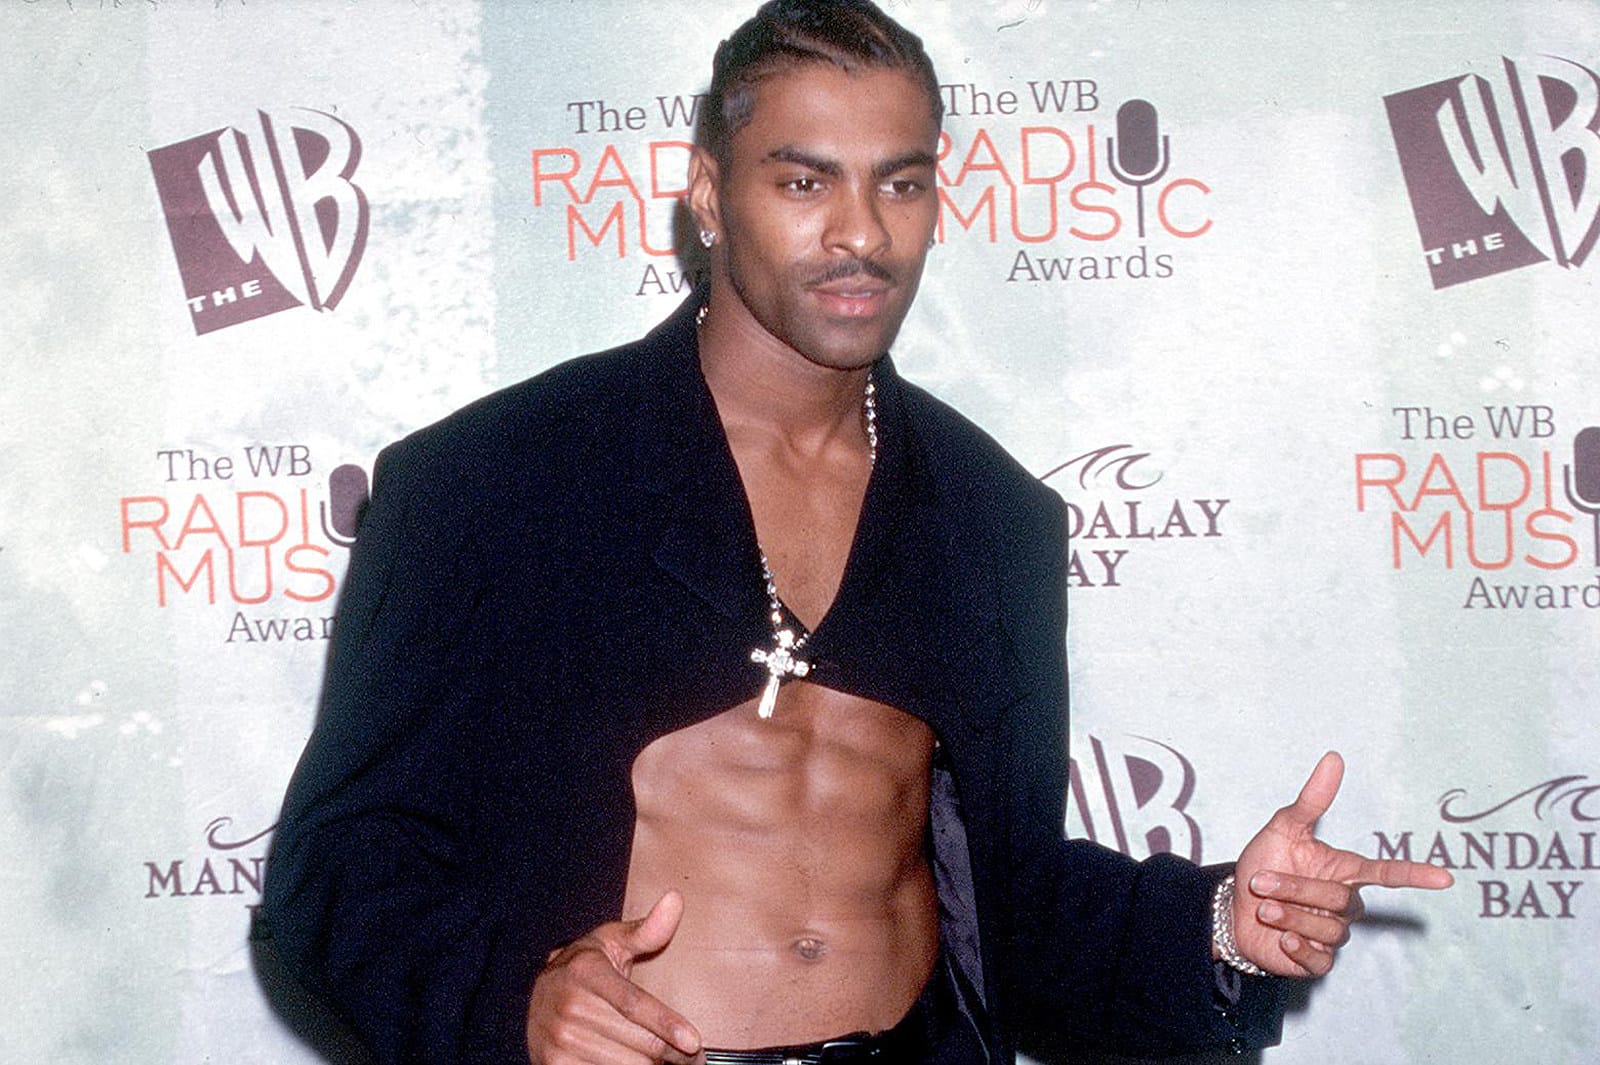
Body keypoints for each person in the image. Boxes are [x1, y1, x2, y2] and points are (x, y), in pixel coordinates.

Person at [261, 2, 1453, 1063]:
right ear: (705, 194)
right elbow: (336, 869)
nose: (861, 236)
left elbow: (1006, 900)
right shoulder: (494, 482)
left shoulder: (991, 517)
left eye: (900, 183)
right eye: (802, 183)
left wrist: (1220, 924)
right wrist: (511, 1006)